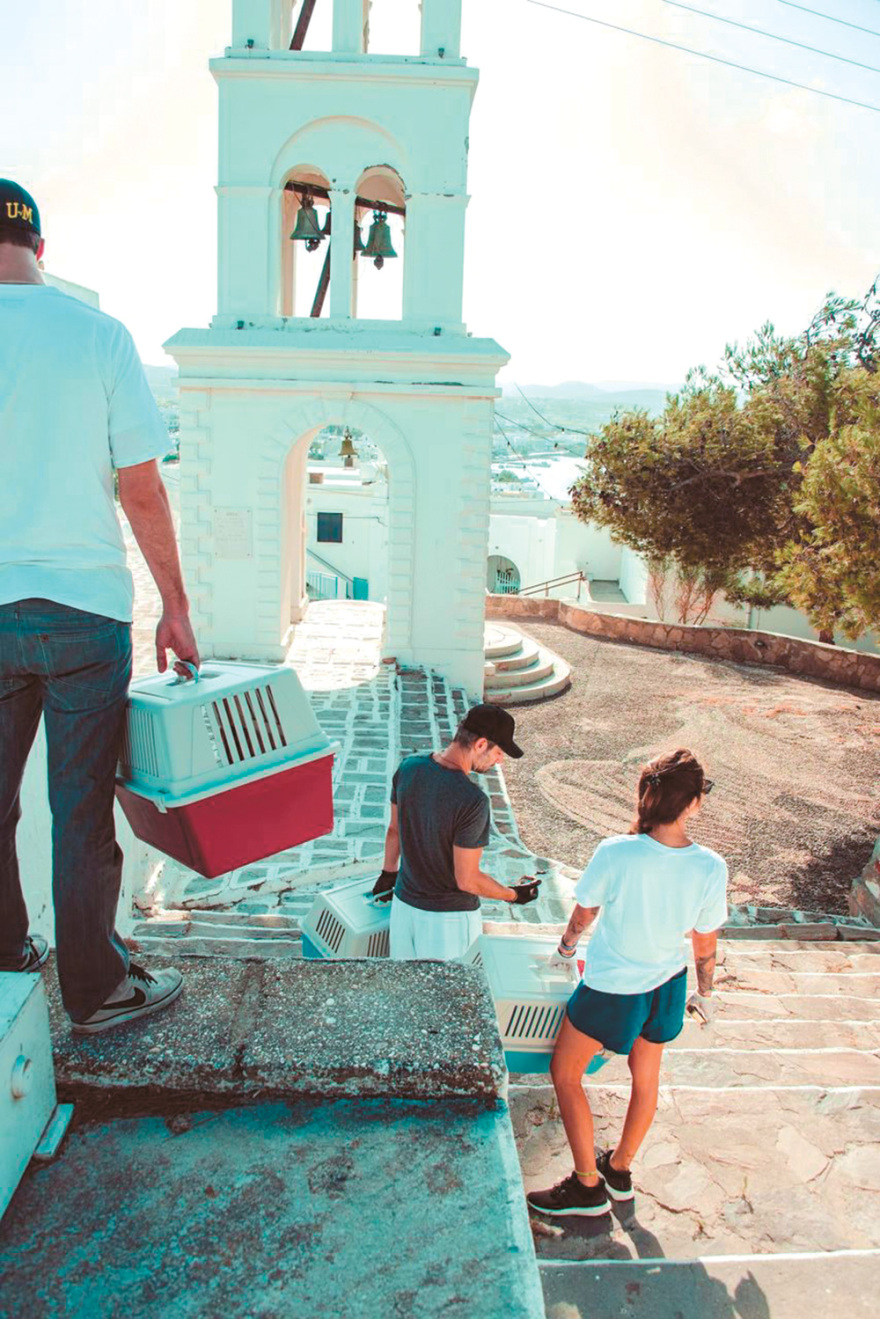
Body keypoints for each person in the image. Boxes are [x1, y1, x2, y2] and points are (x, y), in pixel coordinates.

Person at [0, 179, 199, 1033]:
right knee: (79, 811)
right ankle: (95, 989)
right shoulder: (98, 337)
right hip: (85, 613)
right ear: (41, 247)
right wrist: (176, 605)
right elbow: (142, 488)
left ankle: (9, 949)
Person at [527, 748, 728, 1218]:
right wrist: (706, 993)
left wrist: (565, 948)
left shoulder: (616, 851)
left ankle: (585, 1187)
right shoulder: (711, 866)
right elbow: (704, 943)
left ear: (646, 796)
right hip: (668, 986)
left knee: (565, 1074)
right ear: (693, 803)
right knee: (647, 1079)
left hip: (614, 986)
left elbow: (585, 912)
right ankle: (618, 1169)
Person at [373, 703, 541, 960]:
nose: (500, 760)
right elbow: (467, 880)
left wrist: (388, 873)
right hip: (447, 923)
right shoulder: (472, 801)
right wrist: (513, 895)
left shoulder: (408, 768)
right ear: (481, 744)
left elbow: (394, 830)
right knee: (447, 998)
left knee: (407, 993)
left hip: (403, 909)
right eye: (499, 751)